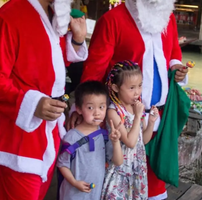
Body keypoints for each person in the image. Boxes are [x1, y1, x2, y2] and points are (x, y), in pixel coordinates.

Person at [69, 0, 189, 199]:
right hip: (122, 119)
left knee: (155, 186)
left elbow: (174, 53)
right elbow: (94, 70)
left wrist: (177, 68)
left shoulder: (168, 18)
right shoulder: (112, 20)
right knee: (117, 182)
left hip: (159, 116)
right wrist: (80, 108)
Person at [0, 0, 88, 199]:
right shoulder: (8, 16)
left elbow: (49, 61)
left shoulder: (53, 12)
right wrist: (33, 104)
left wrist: (77, 40)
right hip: (20, 135)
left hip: (50, 129)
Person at [101, 60, 158, 200]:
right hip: (120, 169)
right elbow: (130, 142)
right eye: (131, 88)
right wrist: (138, 116)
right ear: (115, 88)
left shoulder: (137, 107)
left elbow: (142, 140)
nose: (137, 92)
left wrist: (150, 123)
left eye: (139, 86)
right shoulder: (113, 112)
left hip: (137, 166)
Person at [57, 80, 123, 200]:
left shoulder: (104, 136)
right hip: (72, 194)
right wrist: (74, 182)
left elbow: (117, 162)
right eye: (90, 107)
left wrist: (115, 142)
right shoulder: (71, 137)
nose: (97, 112)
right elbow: (62, 164)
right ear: (79, 109)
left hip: (95, 194)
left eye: (101, 107)